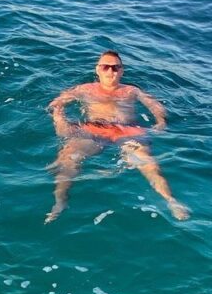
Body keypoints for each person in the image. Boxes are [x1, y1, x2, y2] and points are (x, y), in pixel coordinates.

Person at [45, 51, 190, 223]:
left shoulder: (131, 91)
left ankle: (170, 201)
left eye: (115, 67)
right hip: (95, 130)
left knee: (146, 161)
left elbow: (155, 106)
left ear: (122, 71)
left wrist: (160, 122)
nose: (110, 71)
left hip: (126, 131)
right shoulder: (84, 89)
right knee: (69, 156)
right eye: (106, 67)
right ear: (98, 70)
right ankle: (60, 201)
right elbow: (56, 104)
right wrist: (60, 120)